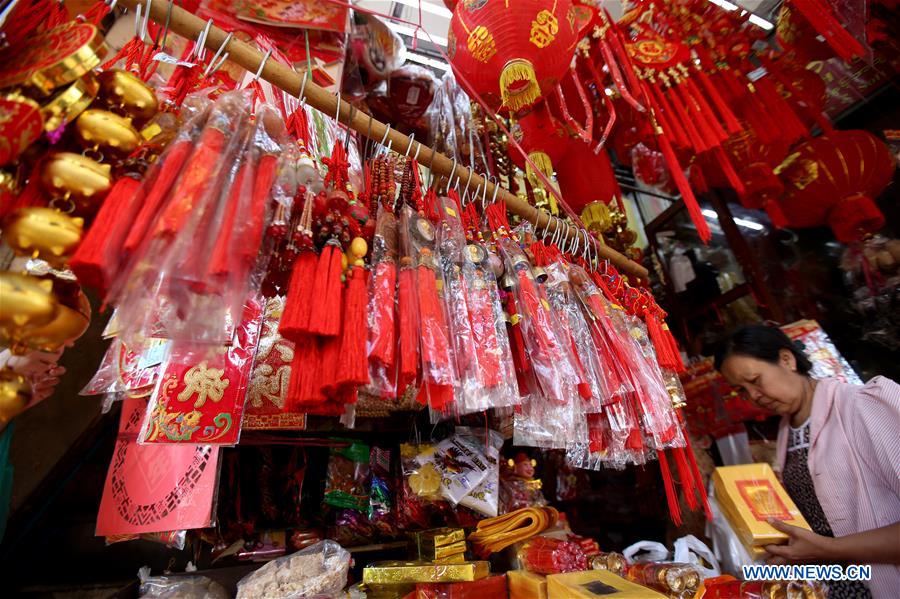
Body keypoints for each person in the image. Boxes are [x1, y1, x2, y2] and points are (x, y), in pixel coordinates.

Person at [715, 325, 900, 599]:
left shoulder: (864, 405)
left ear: (787, 360)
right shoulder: (787, 432)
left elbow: (828, 545)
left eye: (755, 380)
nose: (753, 396)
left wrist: (826, 550)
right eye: (741, 390)